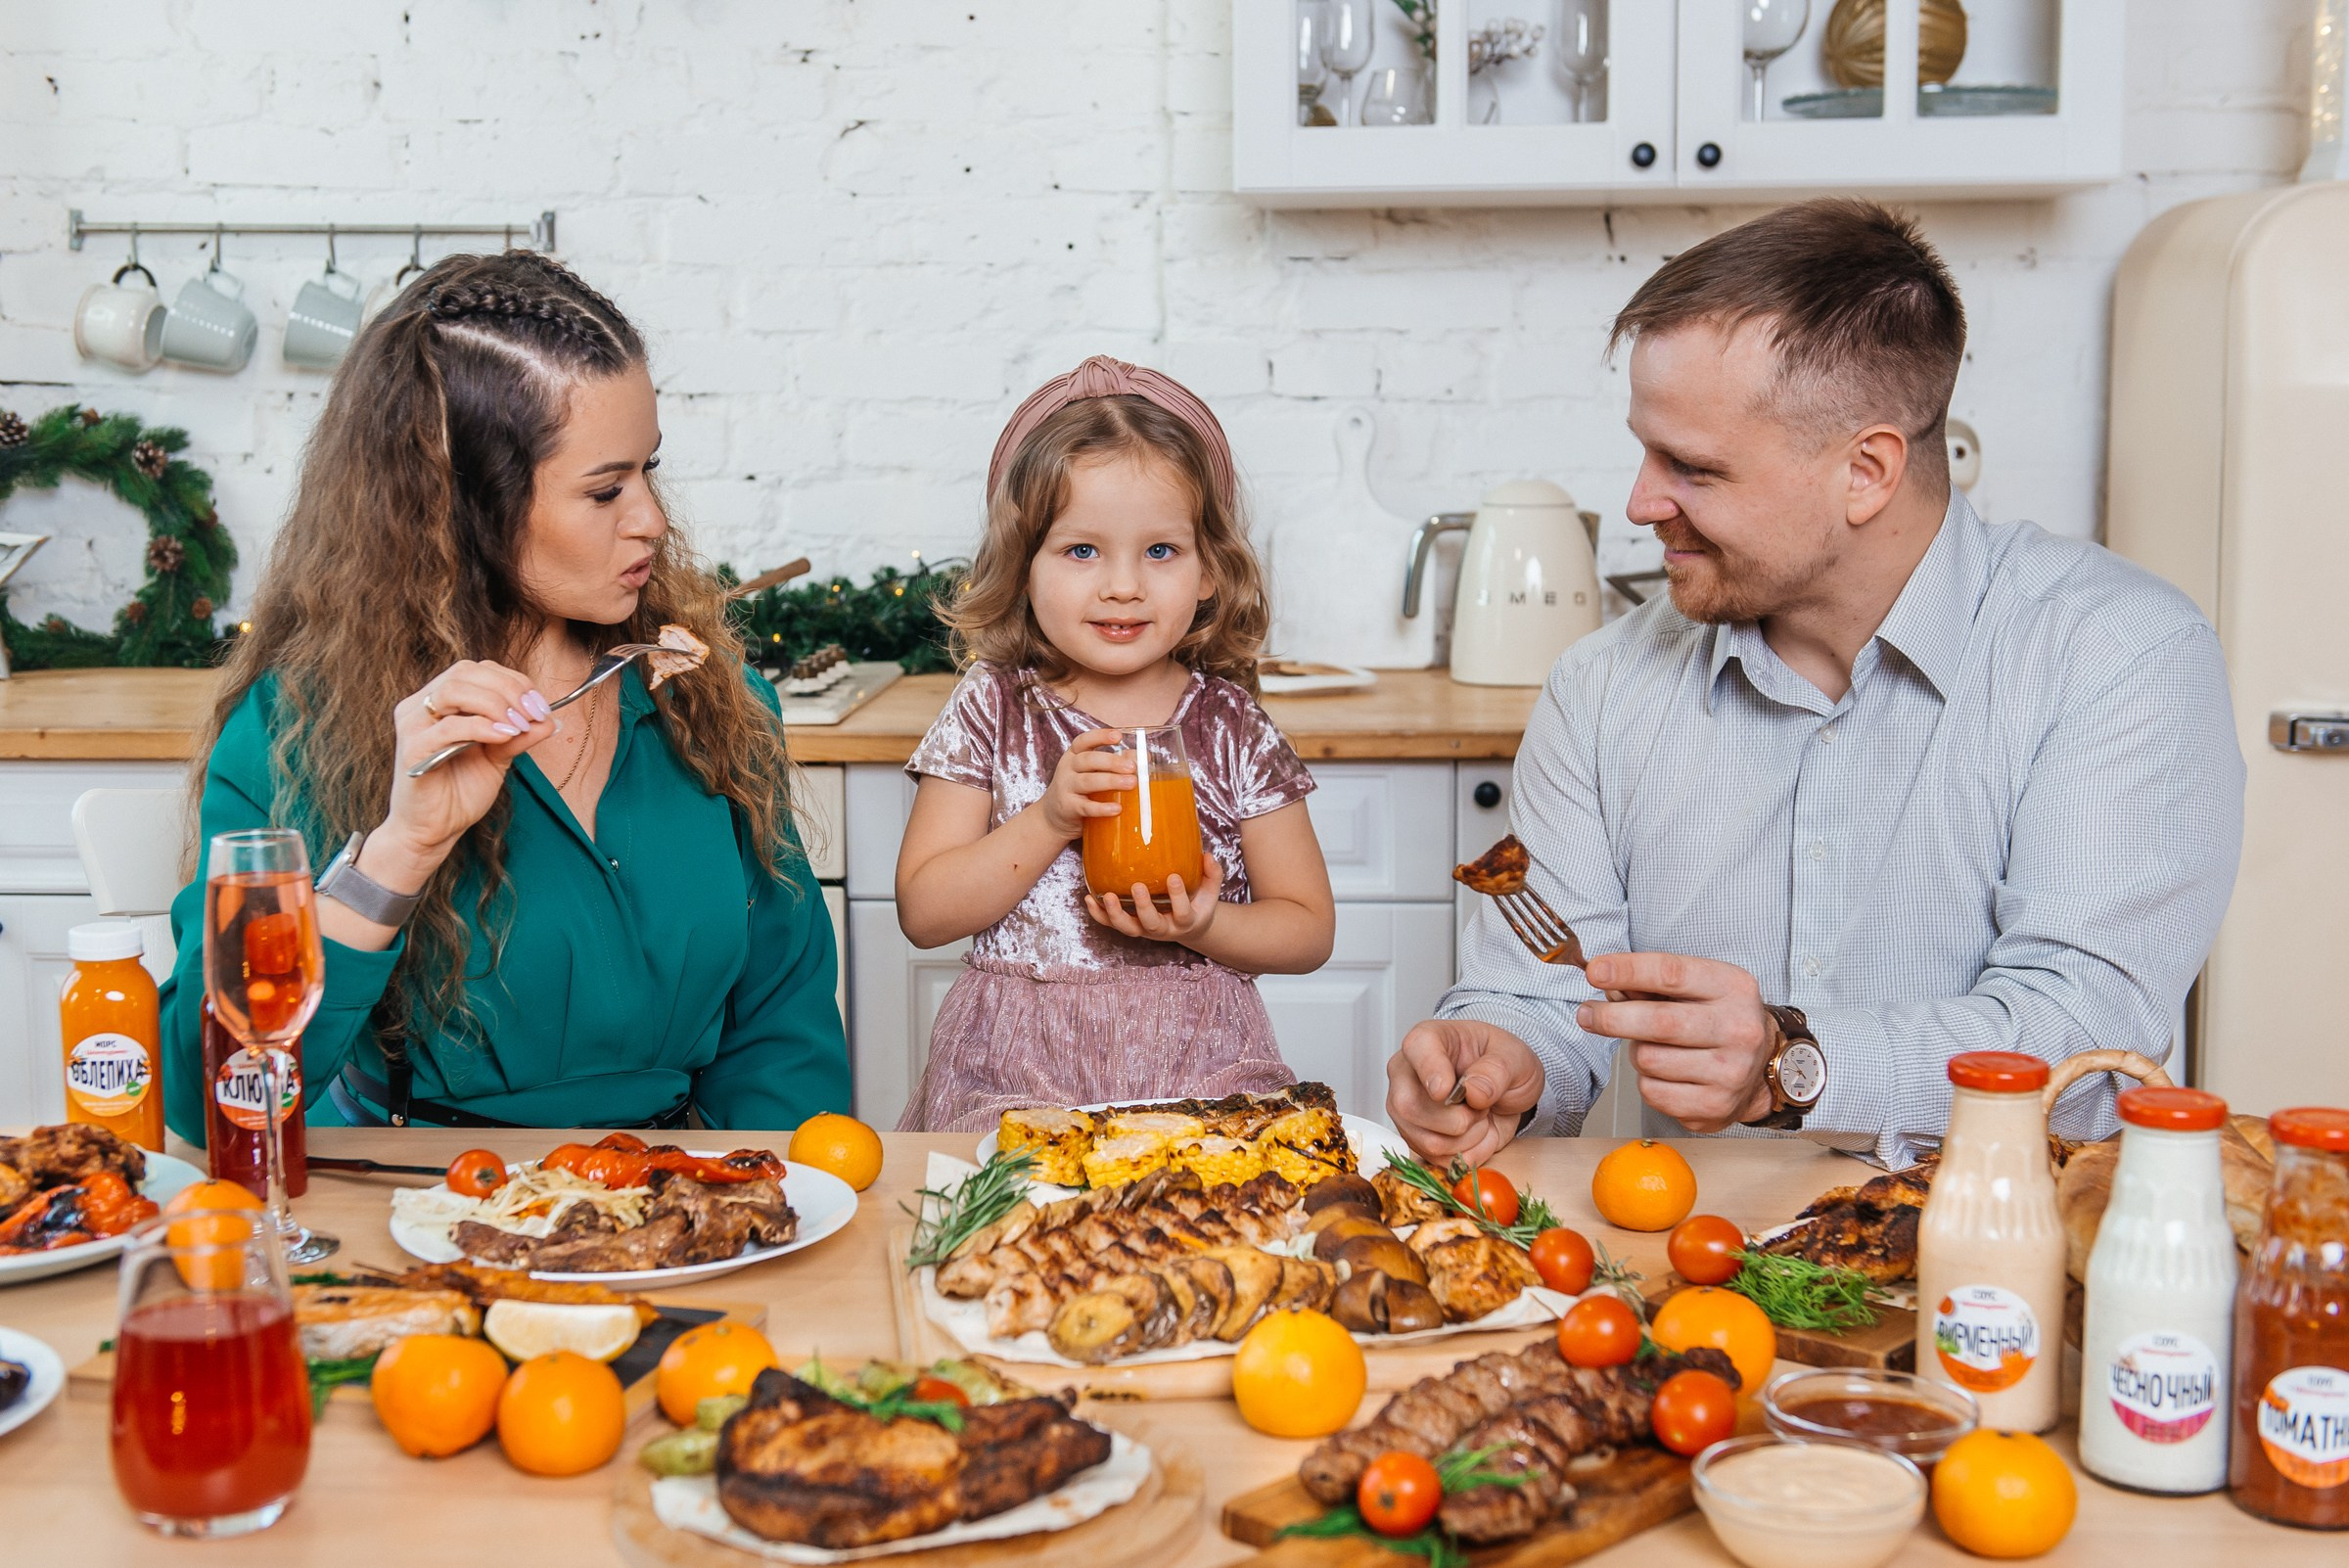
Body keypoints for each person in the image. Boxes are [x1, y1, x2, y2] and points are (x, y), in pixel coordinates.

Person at [1387, 199, 2244, 1169]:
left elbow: (2088, 1043)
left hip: (2009, 1267)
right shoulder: (1602, 691)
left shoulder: (2117, 656)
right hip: (1704, 1280)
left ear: (1867, 471)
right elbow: (1538, 999)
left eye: (1694, 468)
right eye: (1645, 448)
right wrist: (1497, 1061)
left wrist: (1793, 1062)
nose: (1639, 502)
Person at [161, 250, 849, 1134]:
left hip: (683, 1206)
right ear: (461, 504)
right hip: (406, 1213)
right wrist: (399, 855)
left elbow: (781, 1027)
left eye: (649, 470)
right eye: (604, 489)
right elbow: (204, 1093)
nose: (652, 519)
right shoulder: (293, 733)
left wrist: (770, 1200)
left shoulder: (711, 703)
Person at [894, 356, 1337, 1131]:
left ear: (1209, 571)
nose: (1123, 585)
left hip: (1199, 1072)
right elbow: (925, 912)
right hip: (1015, 1072)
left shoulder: (1230, 726)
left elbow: (1307, 928)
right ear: (1023, 569)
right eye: (1081, 551)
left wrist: (1204, 927)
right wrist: (1049, 819)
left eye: (1160, 551)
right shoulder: (993, 708)